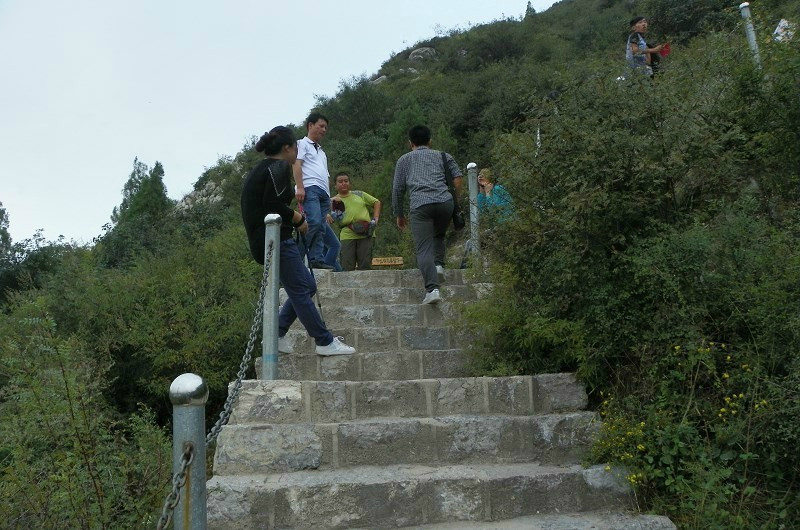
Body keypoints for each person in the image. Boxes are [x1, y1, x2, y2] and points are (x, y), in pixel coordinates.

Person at [241, 126, 355, 357]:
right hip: (276, 240)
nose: (297, 151)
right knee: (301, 289)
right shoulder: (279, 167)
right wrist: (298, 218)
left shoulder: (263, 168)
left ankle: (277, 333)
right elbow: (272, 204)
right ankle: (324, 341)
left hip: (267, 240)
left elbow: (267, 203)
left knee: (308, 286)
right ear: (287, 148)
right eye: (295, 147)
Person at [392, 125, 463, 304]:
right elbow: (457, 178)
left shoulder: (404, 160)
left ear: (411, 143)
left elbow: (398, 189)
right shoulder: (444, 156)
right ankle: (438, 266)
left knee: (423, 247)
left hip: (420, 205)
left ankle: (432, 290)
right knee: (438, 234)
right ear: (430, 141)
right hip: (444, 202)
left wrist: (399, 214)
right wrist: (454, 199)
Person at [293, 112, 341, 270]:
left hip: (323, 192)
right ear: (310, 125)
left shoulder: (322, 152)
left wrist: (328, 194)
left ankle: (316, 259)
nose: (324, 130)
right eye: (321, 126)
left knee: (320, 227)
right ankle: (296, 258)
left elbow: (325, 174)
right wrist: (300, 186)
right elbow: (297, 164)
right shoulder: (301, 144)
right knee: (312, 222)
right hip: (310, 187)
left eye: (326, 127)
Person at [330, 172, 381, 271]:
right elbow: (324, 211)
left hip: (366, 233)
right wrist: (327, 214)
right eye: (340, 181)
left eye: (346, 181)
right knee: (346, 267)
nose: (344, 183)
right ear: (335, 185)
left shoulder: (360, 194)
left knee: (365, 267)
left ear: (350, 183)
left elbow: (376, 202)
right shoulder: (332, 201)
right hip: (347, 234)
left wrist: (375, 218)